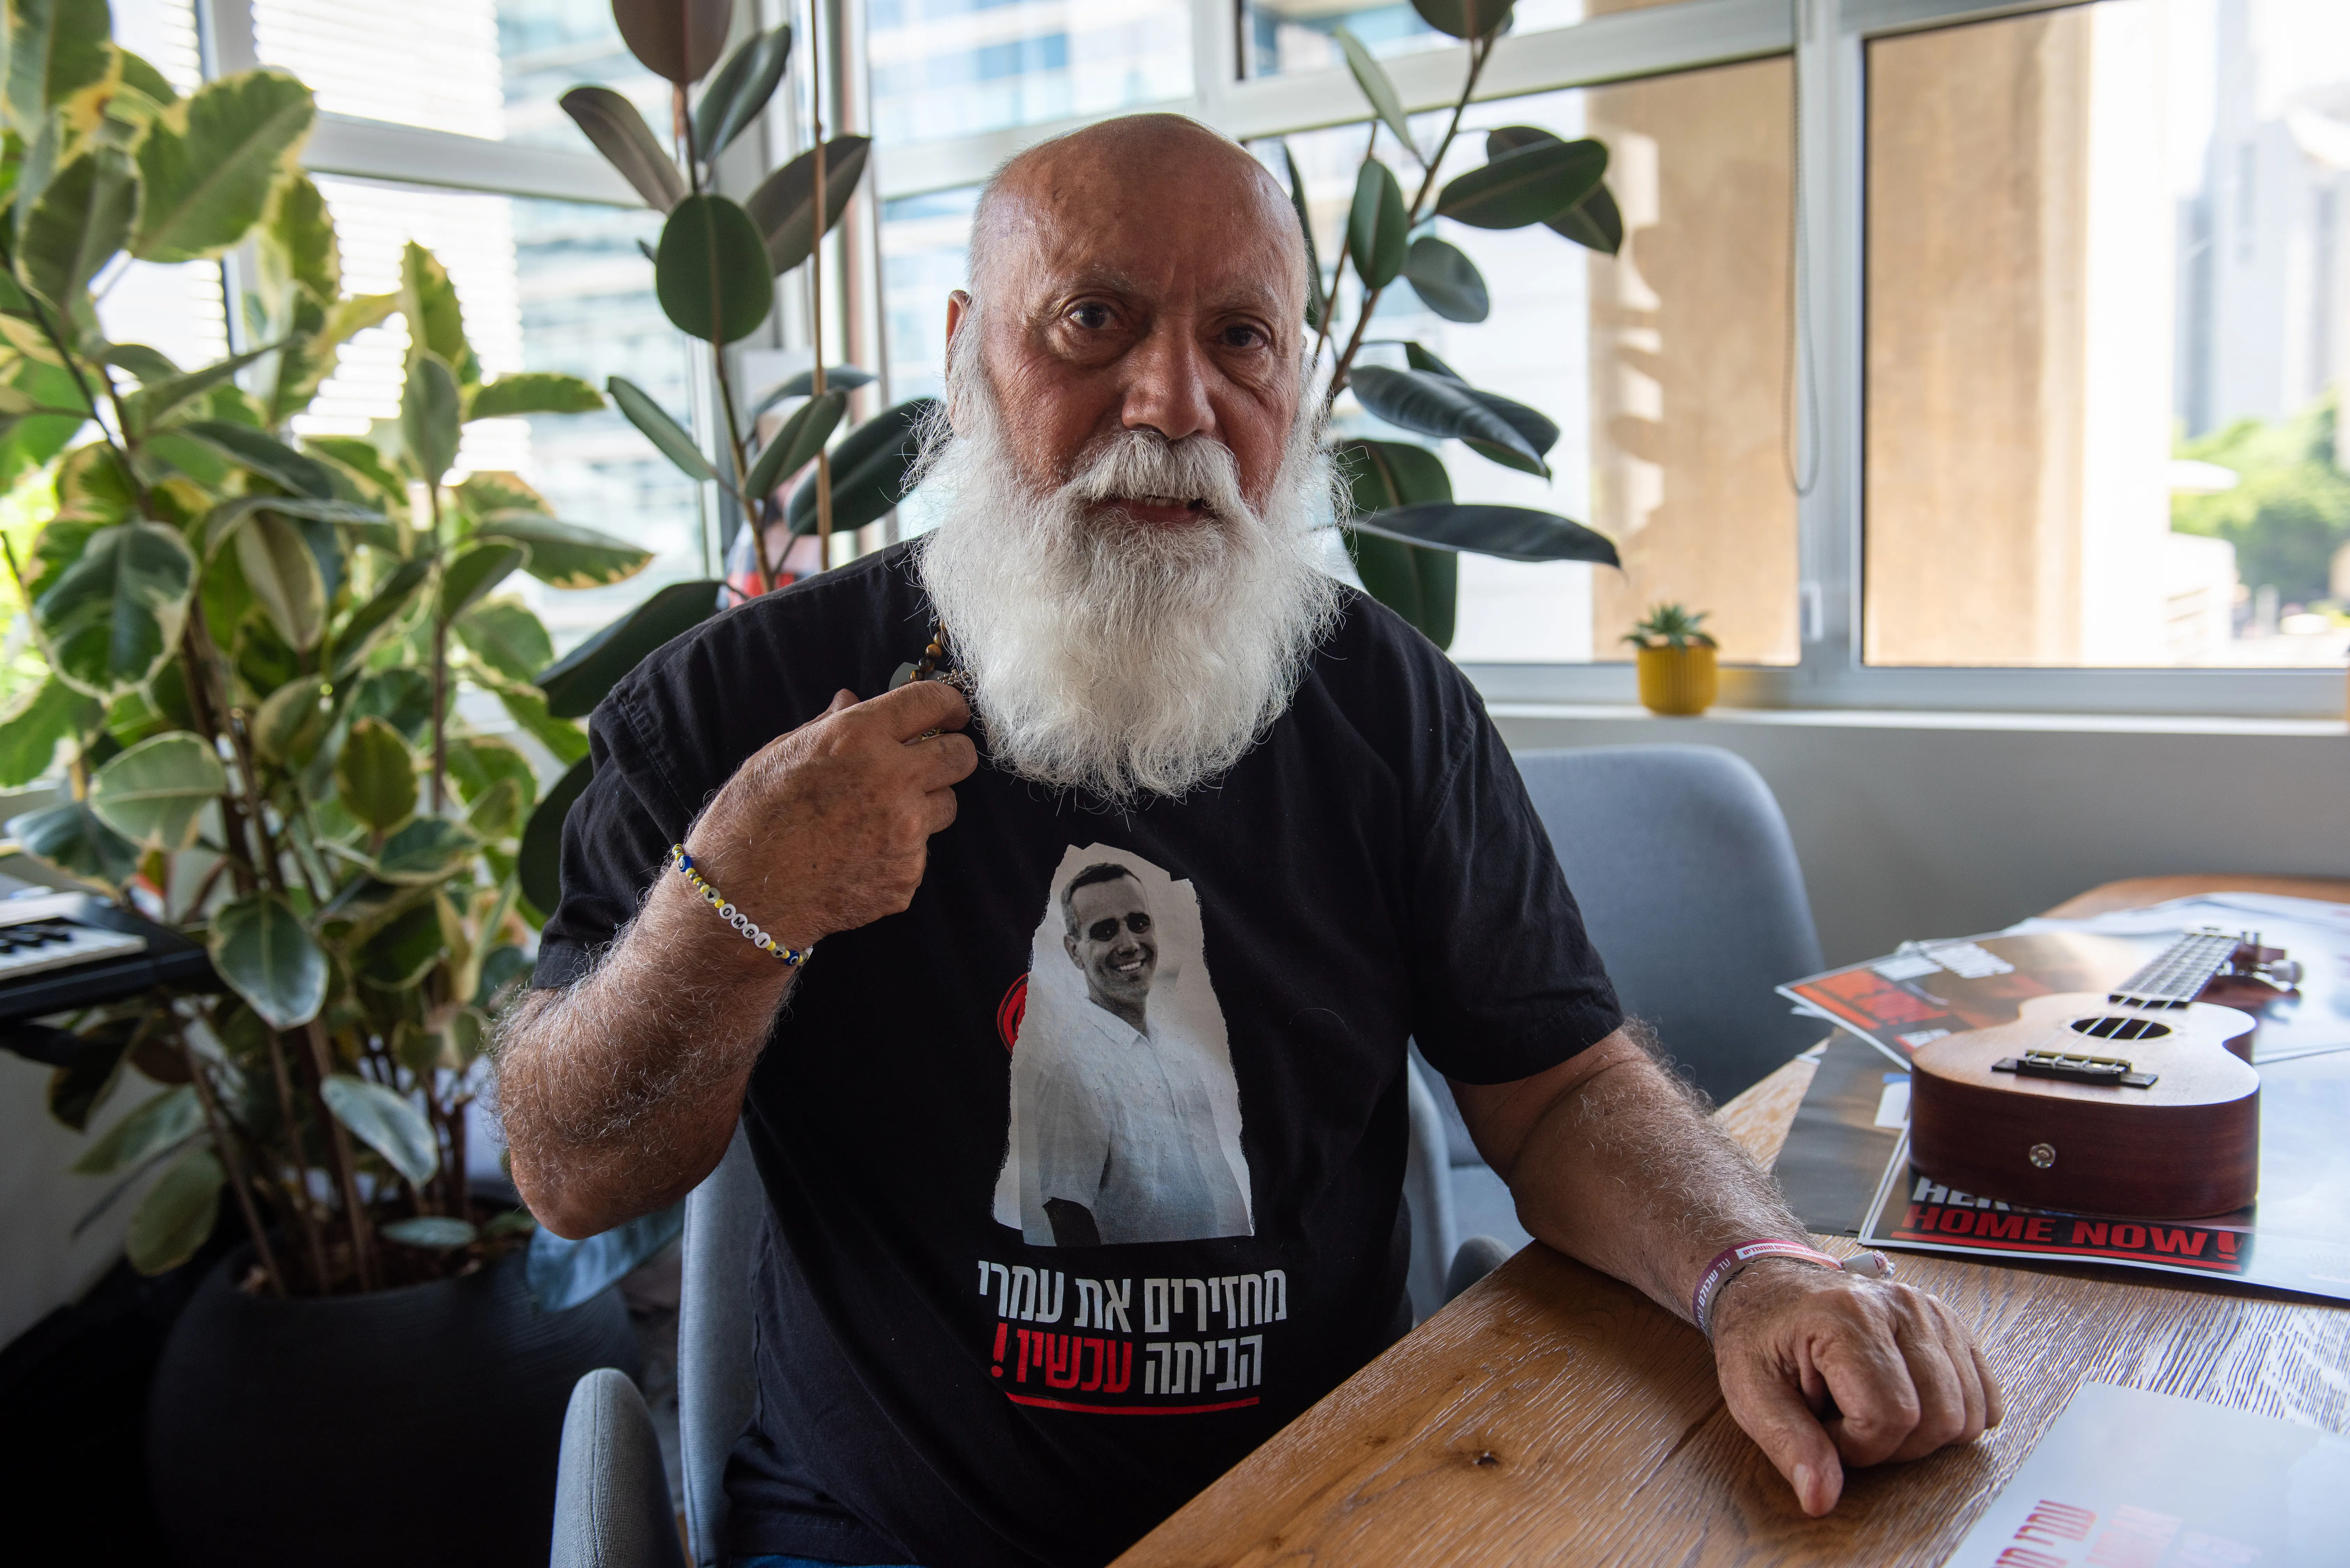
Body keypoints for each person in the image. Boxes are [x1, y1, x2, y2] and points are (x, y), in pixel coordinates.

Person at [496, 112, 2000, 1568]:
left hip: (1329, 1516)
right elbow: (569, 1170)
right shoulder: (742, 712)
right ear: (964, 358)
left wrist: (1752, 1266)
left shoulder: (1385, 705)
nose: (1173, 402)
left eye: (1239, 337)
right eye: (1091, 321)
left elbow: (1558, 1096)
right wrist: (733, 904)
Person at [1015, 860, 1254, 1248]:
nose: (1128, 944)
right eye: (1105, 931)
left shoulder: (1178, 1053)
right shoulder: (1071, 1067)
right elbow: (1067, 1214)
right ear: (1074, 952)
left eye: (1138, 923)